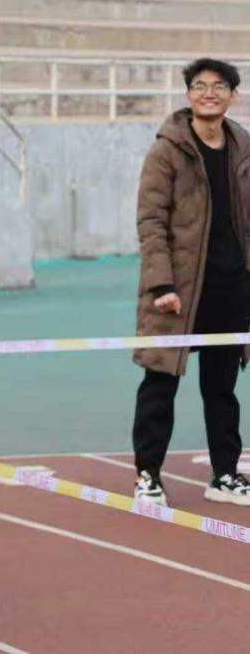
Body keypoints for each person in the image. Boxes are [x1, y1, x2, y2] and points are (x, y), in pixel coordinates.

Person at [133, 57, 250, 507]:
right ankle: (148, 475)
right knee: (160, 383)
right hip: (178, 289)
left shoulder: (243, 148)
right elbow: (151, 220)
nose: (209, 93)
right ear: (188, 95)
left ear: (232, 95)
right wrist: (161, 285)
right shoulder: (168, 150)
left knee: (222, 388)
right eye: (200, 86)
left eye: (219, 86)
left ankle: (225, 475)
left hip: (230, 287)